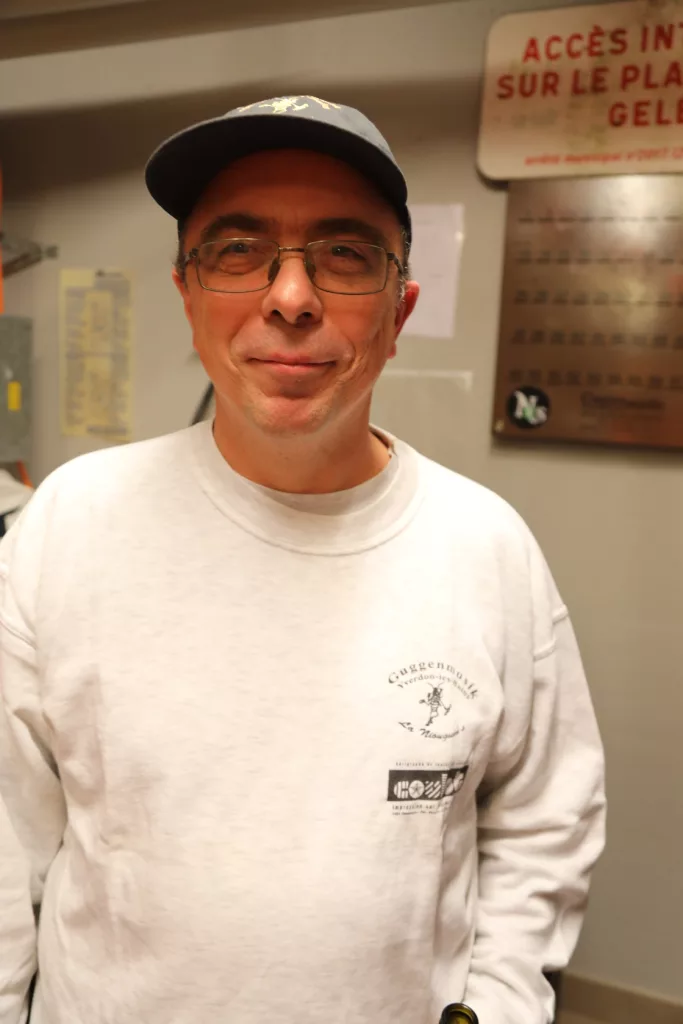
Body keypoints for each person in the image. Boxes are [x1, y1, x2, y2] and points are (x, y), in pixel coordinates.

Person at [0, 95, 605, 1024]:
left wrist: (492, 1010)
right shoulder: (72, 524)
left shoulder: (484, 549)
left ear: (399, 312)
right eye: (238, 251)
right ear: (188, 296)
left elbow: (540, 824)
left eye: (346, 255)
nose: (290, 298)